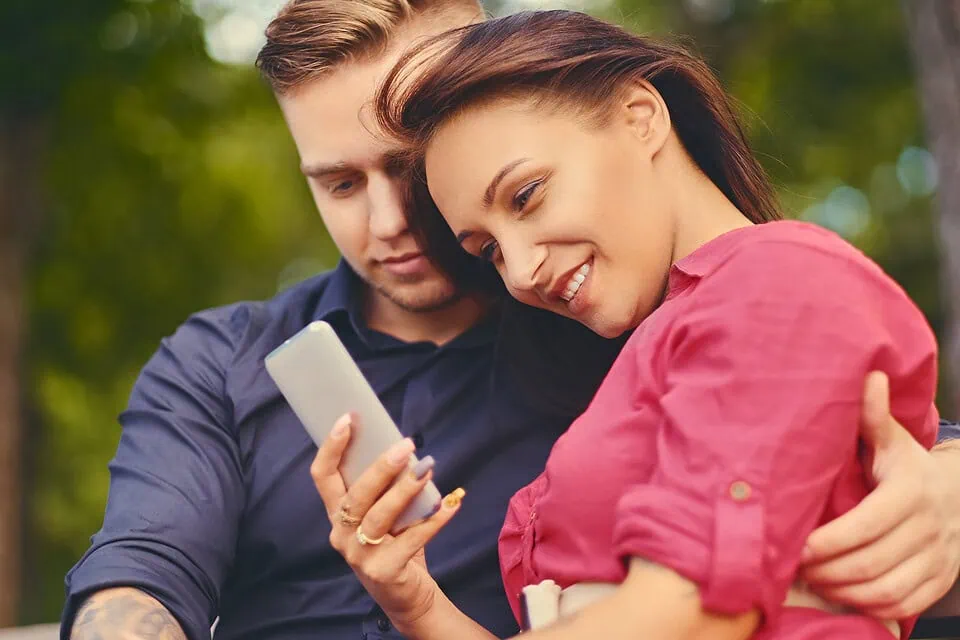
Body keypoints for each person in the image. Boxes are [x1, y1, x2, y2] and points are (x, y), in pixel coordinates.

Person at [60, 2, 960, 639]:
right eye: (339, 182)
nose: (388, 222)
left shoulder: (614, 306)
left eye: (415, 171)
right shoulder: (221, 361)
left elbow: (848, 425)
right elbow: (140, 576)